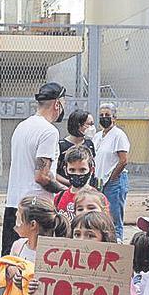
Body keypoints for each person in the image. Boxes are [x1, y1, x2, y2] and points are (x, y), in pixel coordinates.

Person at [2, 82, 66, 256]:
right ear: (57, 104)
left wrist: (66, 183)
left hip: (14, 205)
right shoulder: (49, 132)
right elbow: (41, 176)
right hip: (36, 210)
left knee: (10, 262)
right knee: (33, 264)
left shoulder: (22, 127)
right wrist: (65, 192)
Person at [93, 102, 131, 240]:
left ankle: (117, 241)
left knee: (114, 216)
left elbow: (123, 160)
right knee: (102, 214)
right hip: (99, 182)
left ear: (114, 118)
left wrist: (113, 177)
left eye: (107, 115)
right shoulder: (98, 136)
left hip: (114, 181)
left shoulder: (118, 135)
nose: (104, 118)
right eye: (101, 115)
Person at [54, 146, 95, 218]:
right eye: (72, 170)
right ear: (65, 170)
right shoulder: (59, 197)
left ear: (91, 170)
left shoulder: (97, 198)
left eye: (82, 170)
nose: (77, 174)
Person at [57, 110, 95, 185]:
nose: (92, 128)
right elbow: (53, 172)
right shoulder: (61, 146)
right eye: (89, 124)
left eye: (92, 124)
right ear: (78, 125)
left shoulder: (89, 144)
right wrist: (70, 182)